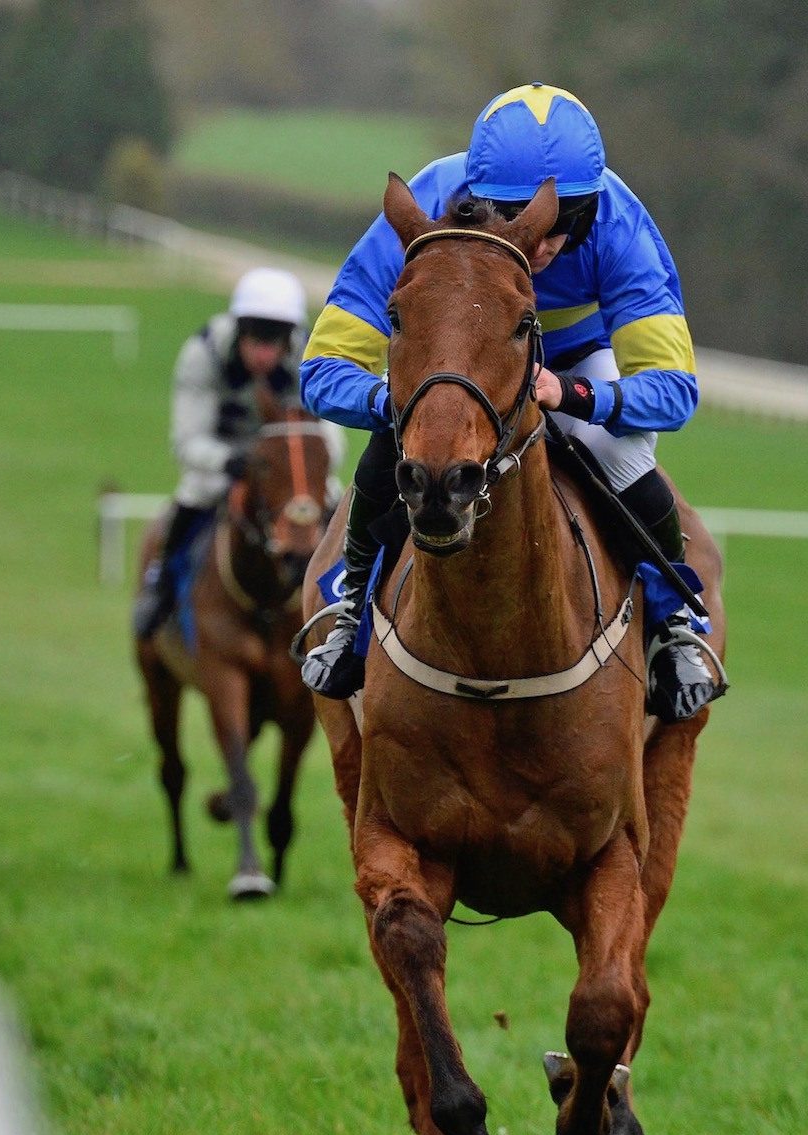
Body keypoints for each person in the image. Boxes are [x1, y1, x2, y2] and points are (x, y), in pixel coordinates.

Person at [297, 83, 725, 721]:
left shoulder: (622, 227)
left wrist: (579, 394)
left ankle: (672, 627)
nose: (543, 241)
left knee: (619, 452)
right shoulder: (425, 209)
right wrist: (394, 399)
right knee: (400, 445)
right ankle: (352, 608)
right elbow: (323, 368)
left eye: (566, 219)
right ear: (474, 197)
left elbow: (673, 391)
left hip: (577, 366)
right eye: (516, 217)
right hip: (462, 366)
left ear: (593, 203)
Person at [131, 267, 310, 637]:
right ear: (240, 330)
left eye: (273, 340)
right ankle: (160, 584)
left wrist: (298, 473)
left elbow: (326, 434)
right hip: (225, 460)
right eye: (255, 338)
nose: (263, 353)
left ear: (289, 339)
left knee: (331, 508)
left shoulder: (310, 357)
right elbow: (187, 439)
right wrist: (229, 462)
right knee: (193, 495)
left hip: (286, 465)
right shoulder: (204, 352)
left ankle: (349, 600)